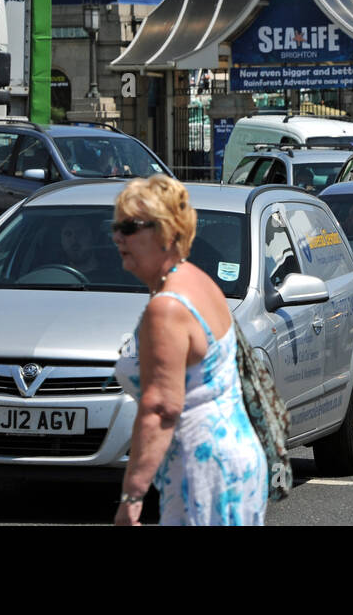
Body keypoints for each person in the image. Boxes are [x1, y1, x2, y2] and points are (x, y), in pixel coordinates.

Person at [112, 175, 267, 525]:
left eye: (130, 227)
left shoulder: (166, 307)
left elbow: (161, 408)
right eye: (116, 226)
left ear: (167, 232)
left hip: (203, 467)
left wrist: (132, 497)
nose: (118, 236)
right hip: (232, 457)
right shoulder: (196, 280)